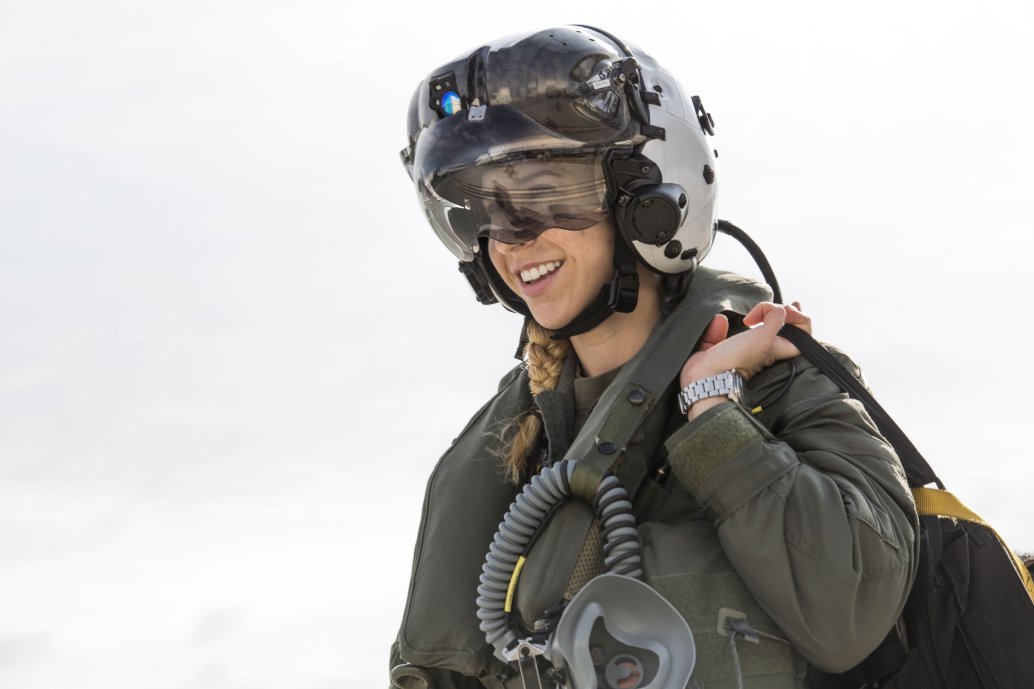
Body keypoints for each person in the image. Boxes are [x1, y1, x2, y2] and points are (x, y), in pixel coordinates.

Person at [390, 25, 919, 689]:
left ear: (649, 202)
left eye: (547, 194)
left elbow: (852, 611)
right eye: (484, 207)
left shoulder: (784, 381)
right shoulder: (499, 446)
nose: (511, 237)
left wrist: (713, 411)